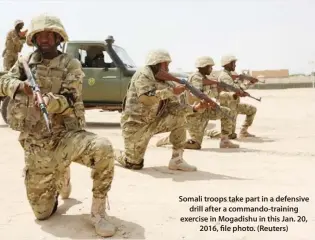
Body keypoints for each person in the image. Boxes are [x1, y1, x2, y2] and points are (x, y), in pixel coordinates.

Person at [0, 14, 117, 238]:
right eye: (39, 35)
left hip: (66, 136)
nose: (44, 39)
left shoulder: (70, 63)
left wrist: (50, 101)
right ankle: (61, 175)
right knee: (42, 214)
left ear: (57, 37)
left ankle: (98, 212)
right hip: (36, 144)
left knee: (103, 147)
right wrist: (21, 86)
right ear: (33, 39)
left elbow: (72, 98)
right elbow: (2, 81)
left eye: (48, 34)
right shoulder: (25, 63)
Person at [115, 49, 210, 171]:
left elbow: (174, 108)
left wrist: (195, 108)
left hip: (155, 121)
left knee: (180, 118)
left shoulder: (167, 81)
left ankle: (177, 160)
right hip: (136, 126)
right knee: (133, 164)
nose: (168, 68)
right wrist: (171, 91)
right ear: (156, 63)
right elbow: (146, 98)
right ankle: (113, 153)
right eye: (166, 64)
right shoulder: (143, 75)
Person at [155, 56, 239, 149]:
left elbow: (215, 94)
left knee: (226, 112)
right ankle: (171, 139)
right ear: (204, 67)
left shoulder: (204, 77)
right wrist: (211, 94)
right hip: (194, 114)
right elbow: (196, 94)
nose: (212, 69)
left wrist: (231, 95)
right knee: (195, 145)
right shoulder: (196, 77)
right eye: (210, 67)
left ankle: (225, 141)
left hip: (204, 110)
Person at [217, 55, 257, 139]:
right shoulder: (224, 76)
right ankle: (210, 133)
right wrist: (243, 80)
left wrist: (249, 82)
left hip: (235, 105)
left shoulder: (229, 75)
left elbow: (239, 89)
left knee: (252, 110)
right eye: (233, 63)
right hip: (229, 108)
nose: (235, 65)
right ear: (227, 64)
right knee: (230, 135)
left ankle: (243, 131)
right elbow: (237, 89)